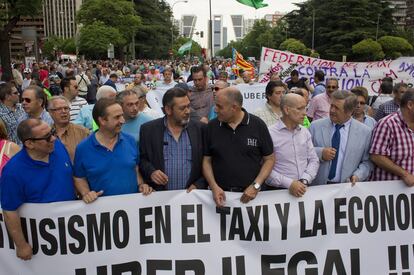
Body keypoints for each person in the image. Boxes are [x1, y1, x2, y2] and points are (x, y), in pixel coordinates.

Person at [1, 119, 76, 260]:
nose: (53, 138)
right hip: (43, 243)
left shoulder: (57, 147)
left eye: (52, 132)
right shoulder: (13, 172)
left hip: (73, 233)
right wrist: (21, 245)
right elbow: (9, 210)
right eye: (47, 137)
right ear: (29, 144)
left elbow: (71, 174)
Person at [203, 87, 275, 207]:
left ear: (234, 107)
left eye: (220, 106)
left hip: (253, 198)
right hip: (220, 198)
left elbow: (270, 159)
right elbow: (206, 160)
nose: (215, 110)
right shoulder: (211, 127)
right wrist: (214, 186)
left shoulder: (258, 125)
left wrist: (256, 185)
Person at [73, 98, 152, 204]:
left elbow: (135, 168)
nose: (123, 121)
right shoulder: (83, 148)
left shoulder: (130, 141)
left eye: (122, 116)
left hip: (132, 207)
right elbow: (79, 177)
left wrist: (141, 185)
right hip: (102, 212)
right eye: (117, 117)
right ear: (102, 121)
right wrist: (86, 193)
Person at [140, 87, 206, 191]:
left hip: (191, 199)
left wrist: (199, 185)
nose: (188, 111)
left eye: (188, 106)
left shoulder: (200, 129)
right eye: (182, 108)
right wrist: (151, 172)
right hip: (160, 198)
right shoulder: (148, 130)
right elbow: (142, 160)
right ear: (168, 110)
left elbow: (208, 162)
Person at [309, 90, 373, 185]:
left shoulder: (365, 132)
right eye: (332, 106)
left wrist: (358, 175)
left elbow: (367, 162)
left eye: (337, 108)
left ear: (350, 111)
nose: (332, 110)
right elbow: (302, 152)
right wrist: (320, 153)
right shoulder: (315, 126)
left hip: (346, 189)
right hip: (318, 188)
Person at [265, 94, 319, 196]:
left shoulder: (305, 132)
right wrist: (289, 184)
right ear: (286, 110)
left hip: (304, 190)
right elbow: (264, 167)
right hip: (277, 194)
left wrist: (305, 180)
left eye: (305, 108)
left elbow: (313, 160)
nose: (305, 113)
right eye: (300, 109)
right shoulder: (269, 134)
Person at [370, 89, 414, 187]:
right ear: (410, 105)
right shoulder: (387, 124)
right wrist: (404, 174)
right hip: (389, 192)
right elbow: (376, 156)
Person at [48, 96, 90, 162]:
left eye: (66, 108)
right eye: (59, 109)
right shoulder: (46, 134)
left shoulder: (83, 132)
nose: (64, 111)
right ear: (50, 112)